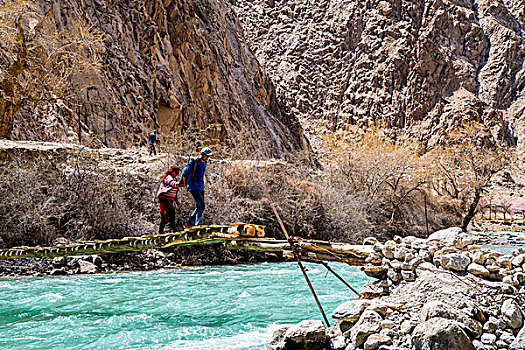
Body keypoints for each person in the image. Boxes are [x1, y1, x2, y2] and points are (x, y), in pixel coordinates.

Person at [180, 147, 213, 227]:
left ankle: (190, 223)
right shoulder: (193, 161)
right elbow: (185, 174)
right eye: (206, 156)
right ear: (202, 154)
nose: (207, 158)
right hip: (193, 186)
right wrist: (185, 185)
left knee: (200, 206)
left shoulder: (204, 163)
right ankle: (196, 224)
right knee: (201, 205)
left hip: (200, 186)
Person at [156, 165, 182, 234]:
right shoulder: (168, 178)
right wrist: (180, 184)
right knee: (171, 211)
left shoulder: (174, 179)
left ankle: (160, 232)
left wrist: (176, 200)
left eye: (178, 172)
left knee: (165, 216)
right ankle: (173, 229)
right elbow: (172, 184)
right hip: (164, 198)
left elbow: (175, 191)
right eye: (175, 172)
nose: (176, 173)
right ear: (172, 172)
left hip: (169, 199)